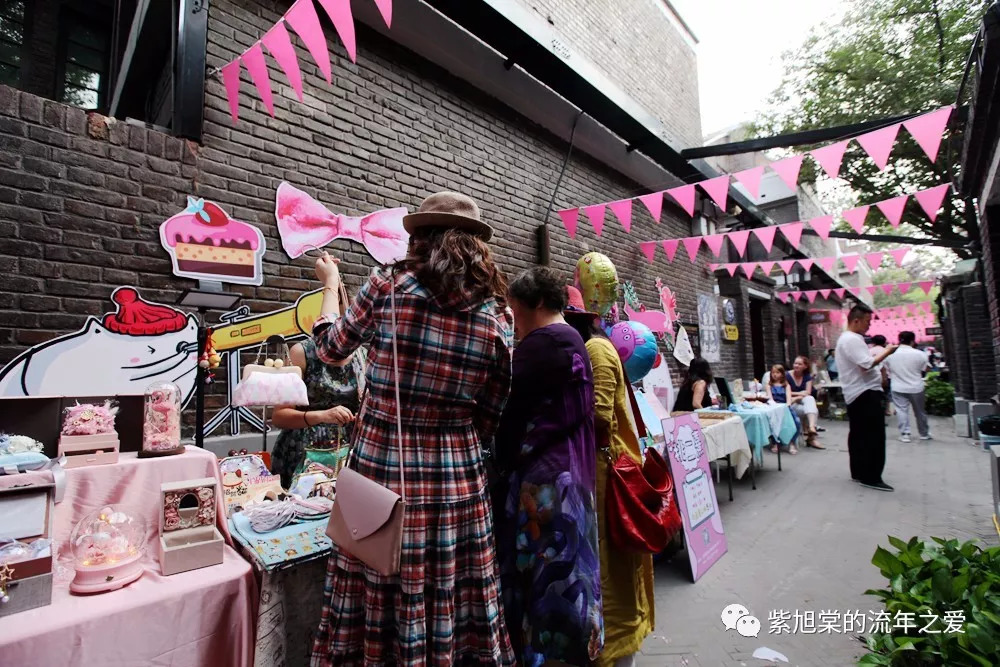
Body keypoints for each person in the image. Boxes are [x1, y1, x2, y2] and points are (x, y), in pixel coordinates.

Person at [309, 192, 516, 665]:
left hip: (384, 463)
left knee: (380, 581)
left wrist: (329, 291)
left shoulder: (389, 286)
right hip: (458, 476)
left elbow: (332, 350)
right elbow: (494, 406)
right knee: (452, 589)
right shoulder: (496, 312)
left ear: (420, 237)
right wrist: (452, 429)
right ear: (476, 246)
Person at [495, 268, 603, 666]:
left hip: (543, 481)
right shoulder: (574, 339)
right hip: (572, 474)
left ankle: (550, 654)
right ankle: (576, 650)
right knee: (573, 568)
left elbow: (509, 411)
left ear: (537, 304)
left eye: (515, 309)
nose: (513, 317)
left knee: (544, 575)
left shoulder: (540, 344)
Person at [564, 286, 653, 667]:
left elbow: (600, 417)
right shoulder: (585, 350)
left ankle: (618, 653)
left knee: (613, 575)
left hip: (609, 478)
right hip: (597, 476)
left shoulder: (597, 350)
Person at [271, 284, 366, 488]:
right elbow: (279, 416)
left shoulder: (361, 355)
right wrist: (322, 416)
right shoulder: (301, 353)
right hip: (302, 454)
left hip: (347, 453)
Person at [835, 304, 897, 492]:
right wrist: (887, 351)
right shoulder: (852, 339)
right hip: (865, 392)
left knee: (859, 434)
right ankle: (870, 476)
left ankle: (860, 471)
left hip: (857, 393)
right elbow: (867, 363)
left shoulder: (846, 340)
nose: (869, 326)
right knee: (873, 436)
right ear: (856, 320)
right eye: (867, 322)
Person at [884, 331, 932, 443]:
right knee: (920, 411)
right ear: (912, 340)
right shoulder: (920, 354)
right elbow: (926, 369)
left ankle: (905, 434)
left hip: (897, 386)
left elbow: (887, 369)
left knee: (901, 410)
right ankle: (924, 433)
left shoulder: (890, 355)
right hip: (916, 387)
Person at [788, 355, 825, 449]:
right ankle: (812, 438)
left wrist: (800, 396)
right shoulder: (787, 375)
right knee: (813, 410)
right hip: (791, 404)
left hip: (803, 402)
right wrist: (799, 394)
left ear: (805, 366)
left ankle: (811, 428)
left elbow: (808, 392)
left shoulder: (807, 376)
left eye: (799, 364)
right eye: (795, 363)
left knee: (810, 399)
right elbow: (785, 392)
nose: (796, 365)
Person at [764, 364, 799, 455]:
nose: (775, 375)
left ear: (782, 374)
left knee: (796, 421)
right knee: (774, 422)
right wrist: (776, 407)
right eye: (773, 373)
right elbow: (770, 398)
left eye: (777, 372)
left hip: (785, 407)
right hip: (774, 408)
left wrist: (786, 407)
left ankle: (792, 442)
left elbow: (788, 399)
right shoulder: (769, 385)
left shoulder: (786, 385)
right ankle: (776, 442)